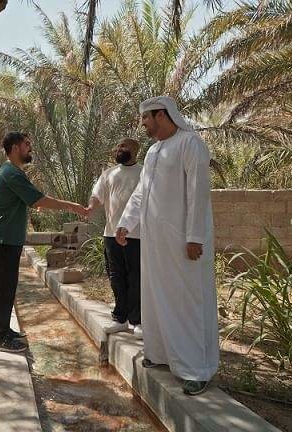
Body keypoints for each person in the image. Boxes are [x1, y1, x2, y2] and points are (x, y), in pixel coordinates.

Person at [116, 96, 219, 396]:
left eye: (146, 119)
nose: (143, 125)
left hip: (182, 242)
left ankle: (196, 370)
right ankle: (161, 355)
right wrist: (126, 222)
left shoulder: (191, 144)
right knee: (156, 298)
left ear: (161, 114)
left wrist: (194, 237)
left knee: (187, 301)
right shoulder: (153, 151)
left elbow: (198, 193)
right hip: (155, 243)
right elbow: (141, 194)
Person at [0, 131, 89, 353]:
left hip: (6, 240)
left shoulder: (13, 172)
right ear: (14, 148)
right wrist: (73, 206)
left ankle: (3, 329)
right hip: (1, 239)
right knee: (3, 288)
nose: (30, 148)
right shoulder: (11, 172)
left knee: (8, 287)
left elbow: (29, 200)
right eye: (26, 144)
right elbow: (38, 199)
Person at [88, 138, 143, 339]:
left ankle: (137, 321)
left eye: (124, 147)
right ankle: (120, 319)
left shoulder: (143, 172)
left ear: (135, 150)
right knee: (116, 277)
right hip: (110, 234)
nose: (119, 149)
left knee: (136, 277)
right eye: (118, 146)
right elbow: (97, 195)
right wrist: (90, 207)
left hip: (137, 235)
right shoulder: (108, 174)